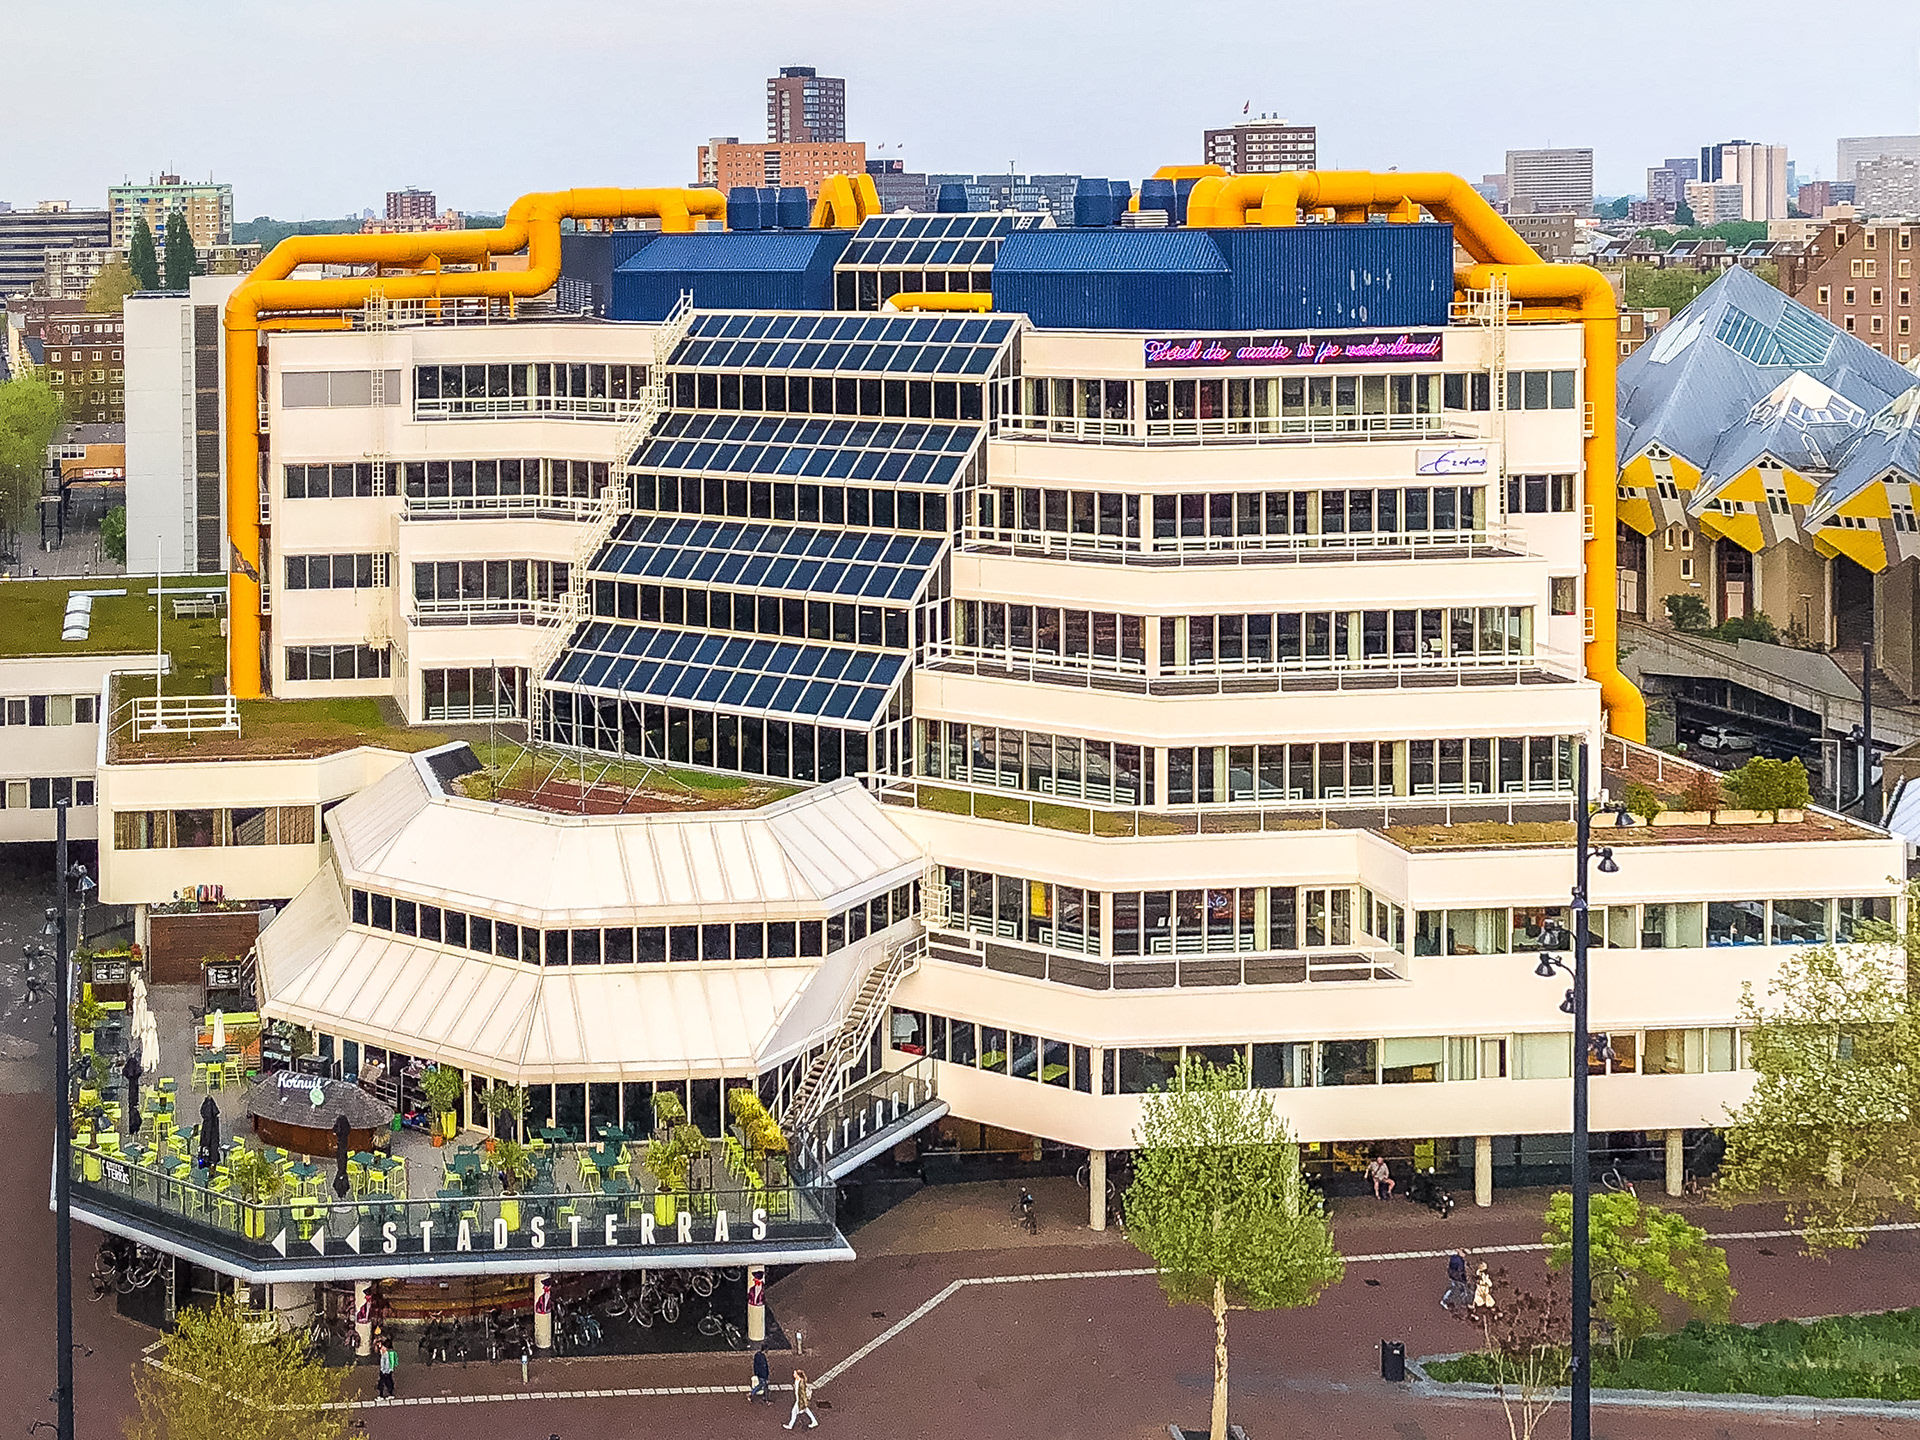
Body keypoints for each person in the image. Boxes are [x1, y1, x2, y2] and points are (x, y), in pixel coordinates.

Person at [376, 1334, 397, 1399]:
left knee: (385, 1382)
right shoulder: (385, 1353)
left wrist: (384, 1371)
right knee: (386, 1382)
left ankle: (384, 1394)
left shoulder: (387, 1355)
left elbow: (387, 1364)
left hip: (385, 1371)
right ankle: (384, 1393)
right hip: (385, 1371)